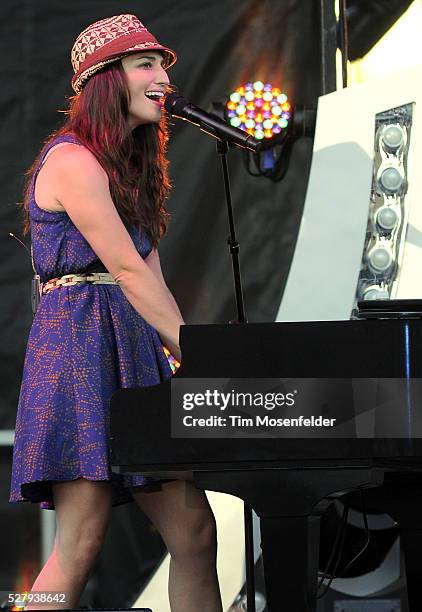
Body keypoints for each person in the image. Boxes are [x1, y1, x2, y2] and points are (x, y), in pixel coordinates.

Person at [9, 14, 222, 612]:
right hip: (77, 345)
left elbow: (149, 276)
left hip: (132, 346)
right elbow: (126, 272)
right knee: (81, 539)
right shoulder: (71, 161)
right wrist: (197, 350)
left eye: (161, 64)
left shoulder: (129, 171)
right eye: (145, 64)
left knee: (195, 534)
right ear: (106, 80)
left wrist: (191, 356)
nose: (162, 76)